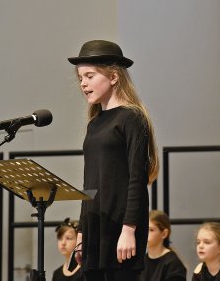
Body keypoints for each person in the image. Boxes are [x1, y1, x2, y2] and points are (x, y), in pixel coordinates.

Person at [67, 39, 159, 281]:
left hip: (120, 227)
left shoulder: (131, 118)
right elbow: (90, 183)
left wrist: (129, 229)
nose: (83, 84)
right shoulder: (95, 123)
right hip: (94, 226)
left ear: (114, 77)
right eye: (80, 78)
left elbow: (137, 179)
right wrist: (80, 233)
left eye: (89, 76)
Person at [139, 210, 187, 281]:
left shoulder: (173, 264)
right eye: (143, 229)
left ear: (164, 234)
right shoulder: (141, 261)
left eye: (151, 230)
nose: (145, 234)